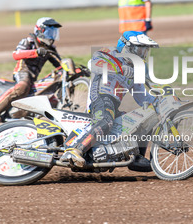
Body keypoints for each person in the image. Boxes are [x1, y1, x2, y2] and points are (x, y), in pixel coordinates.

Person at [60, 31, 158, 172]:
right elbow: (93, 64)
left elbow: (140, 96)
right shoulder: (108, 53)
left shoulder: (135, 69)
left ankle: (136, 158)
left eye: (144, 50)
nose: (142, 54)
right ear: (127, 47)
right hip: (100, 98)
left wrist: (158, 101)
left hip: (113, 104)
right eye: (139, 49)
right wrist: (119, 69)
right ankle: (75, 150)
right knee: (106, 120)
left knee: (146, 118)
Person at [0, 17, 63, 124]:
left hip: (33, 77)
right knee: (22, 87)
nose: (52, 36)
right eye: (50, 32)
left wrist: (74, 70)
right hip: (22, 72)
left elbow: (59, 64)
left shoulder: (50, 49)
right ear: (40, 30)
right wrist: (35, 52)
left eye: (54, 32)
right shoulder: (28, 41)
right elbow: (16, 55)